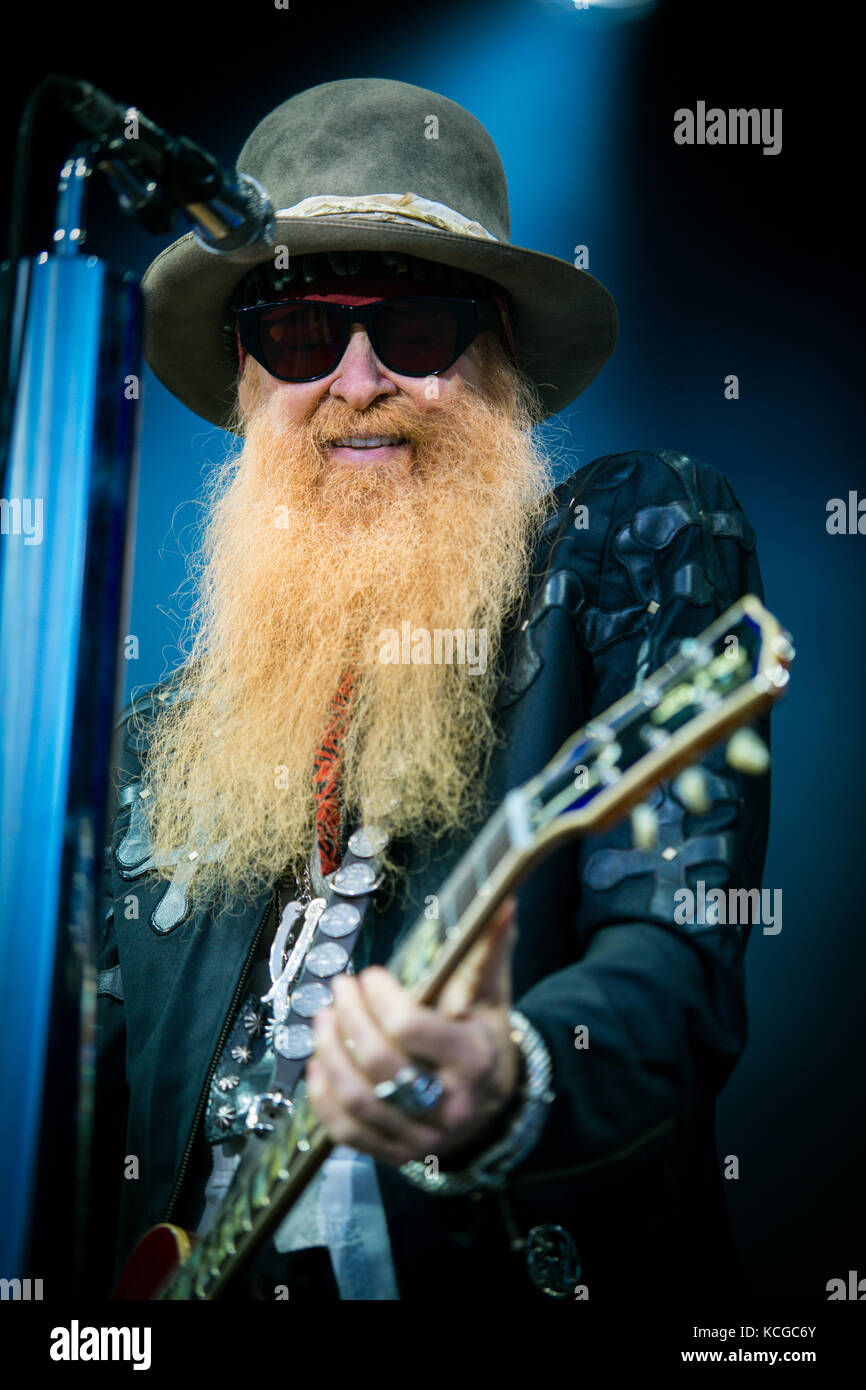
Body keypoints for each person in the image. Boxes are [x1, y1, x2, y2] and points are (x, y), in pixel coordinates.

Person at [88, 77, 770, 1301]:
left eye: (413, 328)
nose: (355, 381)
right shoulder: (158, 746)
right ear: (247, 380)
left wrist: (503, 1075)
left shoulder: (628, 542)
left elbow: (677, 967)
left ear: (498, 357)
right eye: (296, 333)